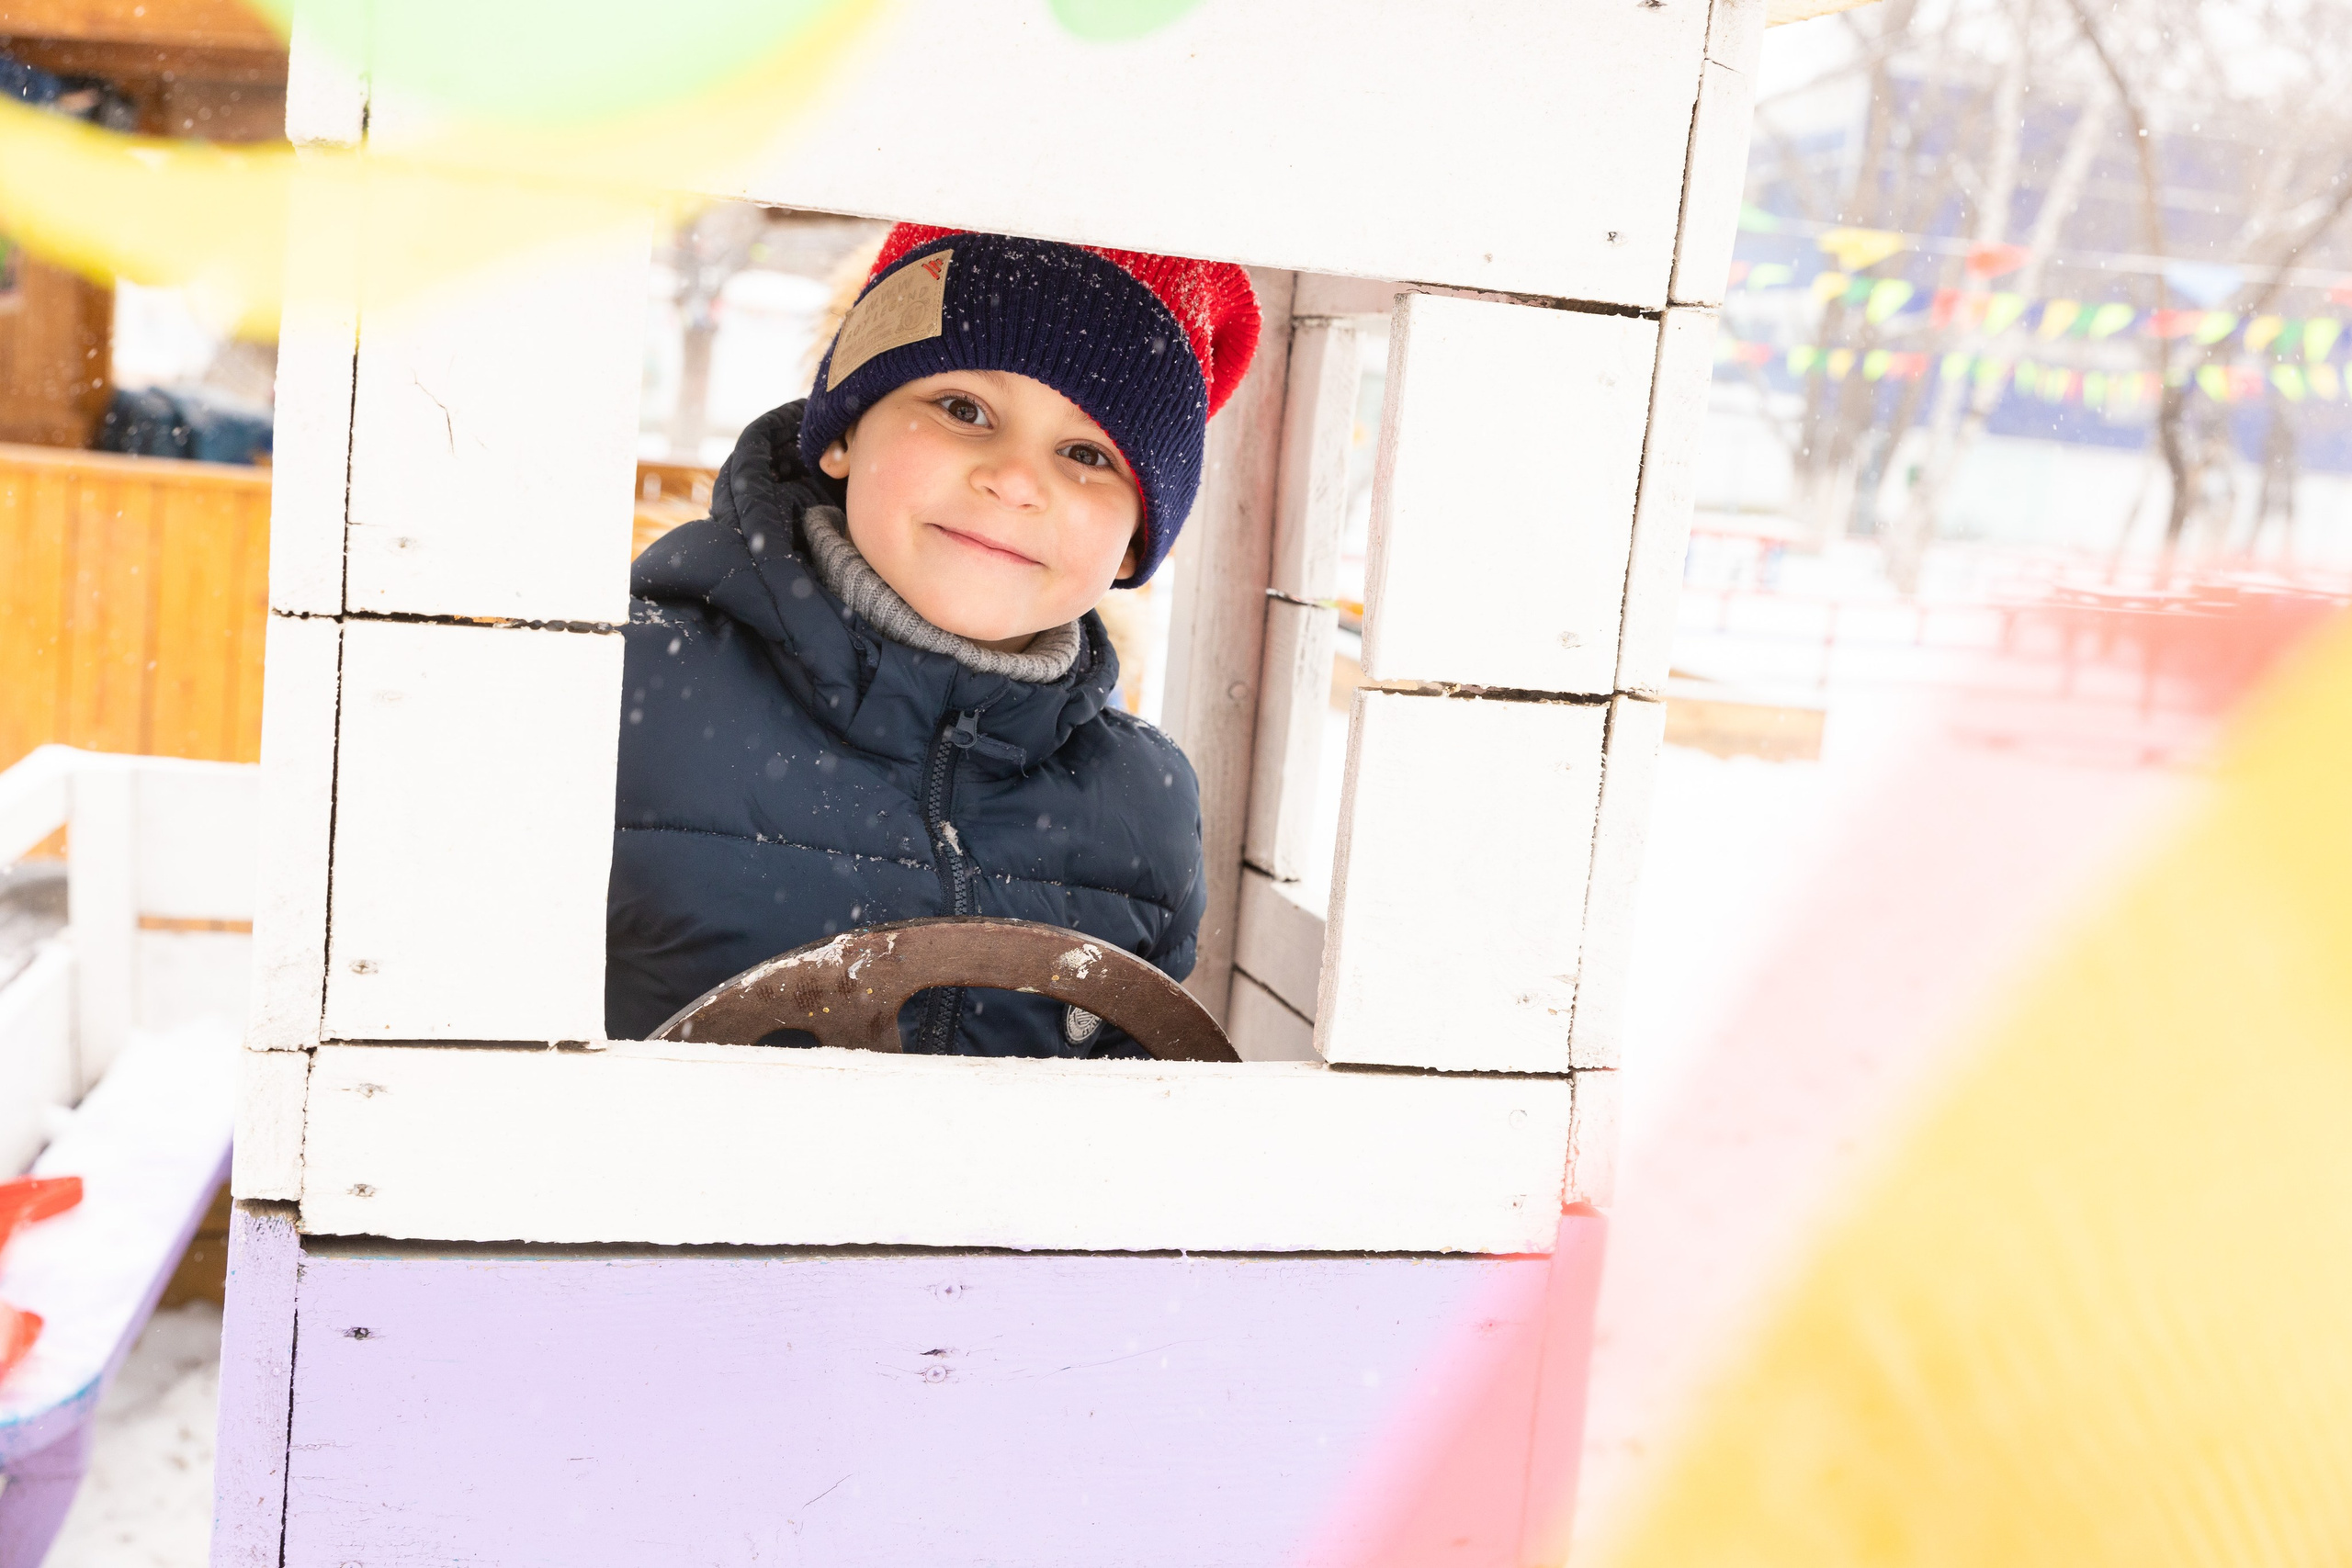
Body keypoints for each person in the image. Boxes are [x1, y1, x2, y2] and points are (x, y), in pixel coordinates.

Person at [605, 223, 1261, 1055]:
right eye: (964, 409)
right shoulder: (632, 688)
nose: (1017, 479)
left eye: (1088, 453)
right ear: (843, 432)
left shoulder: (1145, 805)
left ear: (1136, 540)